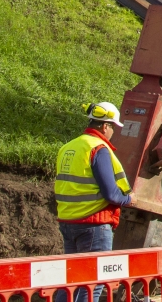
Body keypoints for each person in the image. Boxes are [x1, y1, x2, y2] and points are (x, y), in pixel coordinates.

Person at [54, 102, 132, 254]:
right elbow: (111, 194)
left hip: (67, 223)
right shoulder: (98, 148)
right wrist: (128, 199)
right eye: (113, 127)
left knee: (75, 270)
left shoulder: (67, 147)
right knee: (97, 270)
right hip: (93, 224)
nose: (113, 132)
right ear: (105, 127)